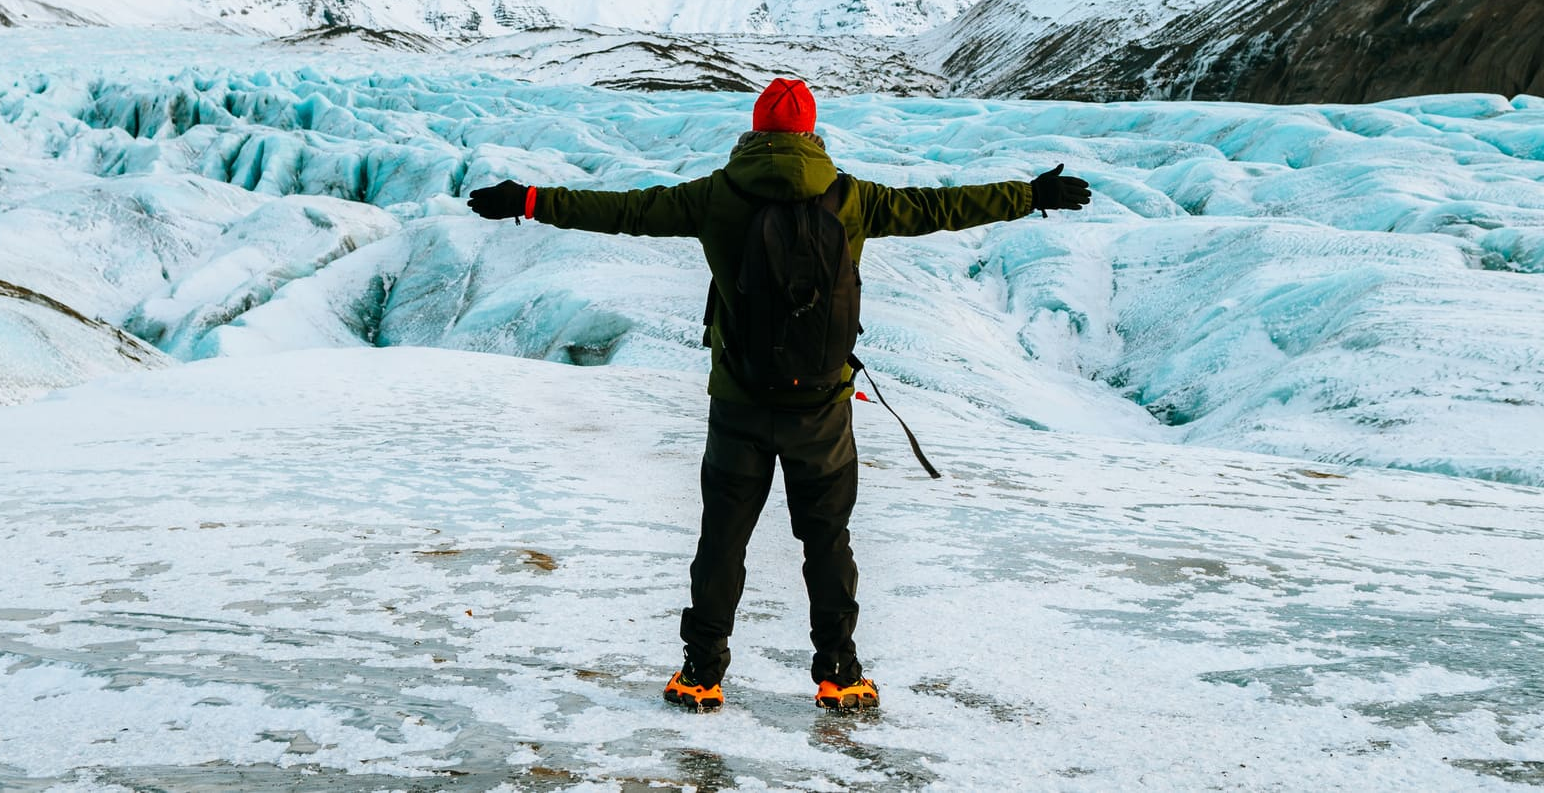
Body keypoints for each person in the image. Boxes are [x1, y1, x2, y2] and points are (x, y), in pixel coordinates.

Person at [467, 76, 1091, 713]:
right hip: (821, 408)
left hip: (739, 403)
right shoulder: (852, 197)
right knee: (827, 542)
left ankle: (701, 673)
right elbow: (941, 207)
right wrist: (1030, 195)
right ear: (811, 134)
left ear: (756, 131)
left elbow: (624, 211)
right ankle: (840, 673)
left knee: (722, 541)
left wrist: (532, 198)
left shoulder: (716, 195)